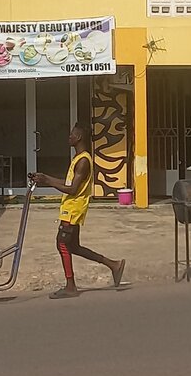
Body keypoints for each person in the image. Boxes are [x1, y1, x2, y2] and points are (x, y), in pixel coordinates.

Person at [32, 122, 125, 299]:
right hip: (71, 209)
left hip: (73, 211)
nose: (69, 137)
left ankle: (70, 286)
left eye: (72, 134)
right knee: (73, 246)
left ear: (79, 137)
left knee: (62, 244)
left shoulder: (83, 161)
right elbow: (68, 183)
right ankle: (114, 265)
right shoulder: (79, 158)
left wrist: (48, 181)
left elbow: (72, 189)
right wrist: (45, 178)